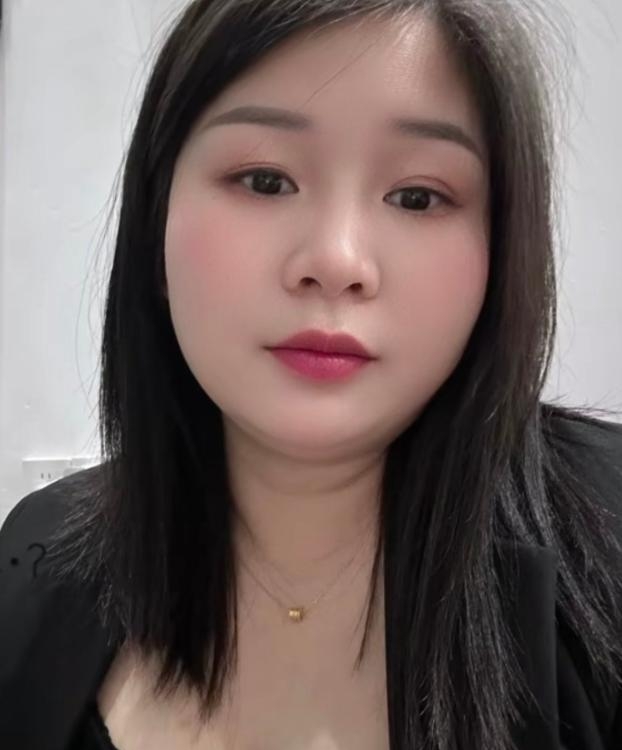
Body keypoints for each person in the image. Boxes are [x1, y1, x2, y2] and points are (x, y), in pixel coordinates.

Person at [1, 0, 622, 748]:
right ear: (155, 222)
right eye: (265, 181)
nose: (335, 260)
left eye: (417, 197)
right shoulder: (33, 556)